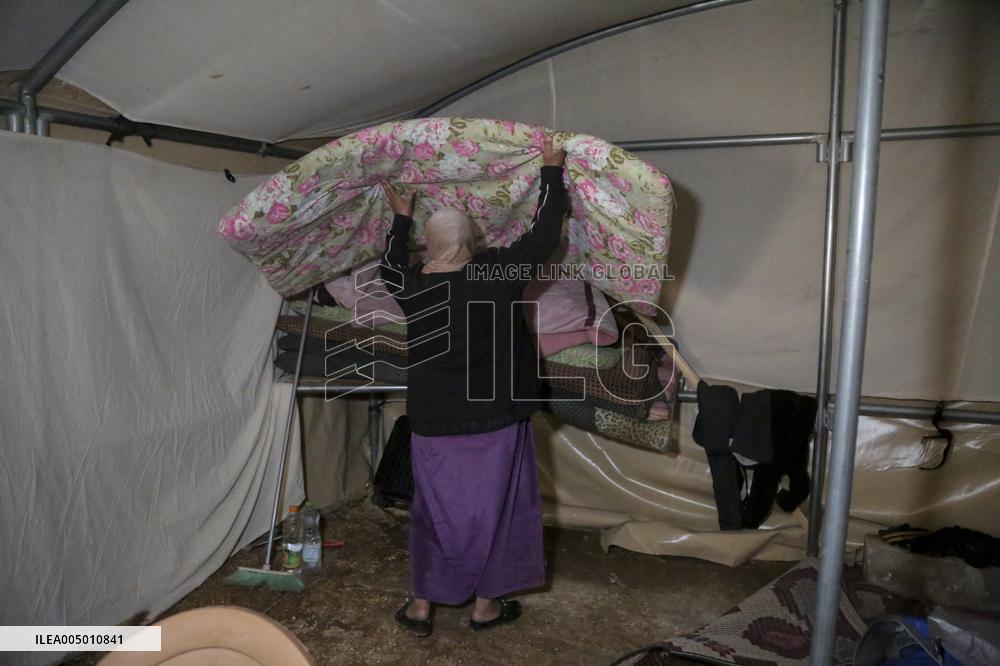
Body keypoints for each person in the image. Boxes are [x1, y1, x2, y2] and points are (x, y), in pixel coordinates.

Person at [378, 136, 568, 636]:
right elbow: (545, 233)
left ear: (431, 244)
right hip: (496, 420)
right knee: (499, 512)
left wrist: (401, 216)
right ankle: (485, 607)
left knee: (433, 514)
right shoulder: (497, 273)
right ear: (472, 242)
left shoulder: (413, 286)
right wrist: (551, 169)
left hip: (434, 424)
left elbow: (388, 267)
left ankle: (421, 607)